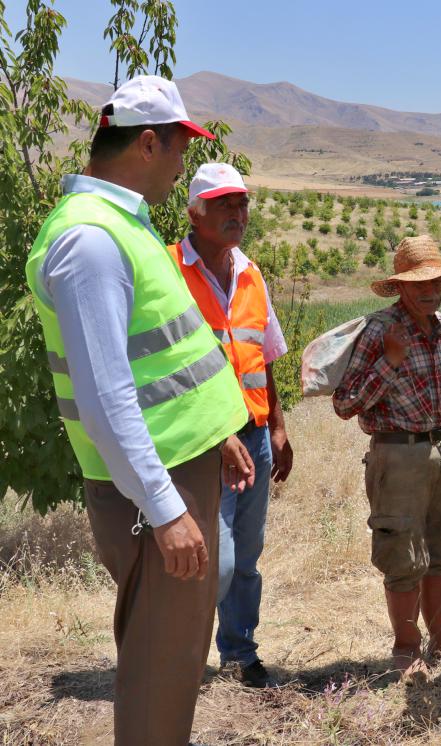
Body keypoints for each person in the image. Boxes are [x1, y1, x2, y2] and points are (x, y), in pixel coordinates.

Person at [24, 75, 254, 745]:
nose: (184, 164)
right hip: (157, 484)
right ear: (148, 143)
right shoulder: (90, 240)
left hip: (182, 464)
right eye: (181, 148)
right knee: (161, 669)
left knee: (177, 663)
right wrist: (165, 506)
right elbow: (106, 394)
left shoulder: (120, 226)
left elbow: (163, 363)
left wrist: (218, 434)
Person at [333, 235, 441, 684]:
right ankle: (406, 650)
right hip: (397, 452)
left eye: (436, 282)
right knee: (402, 555)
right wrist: (389, 363)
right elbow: (345, 404)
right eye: (418, 283)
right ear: (401, 286)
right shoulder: (379, 331)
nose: (428, 291)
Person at [169, 163, 293, 688]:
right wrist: (217, 436)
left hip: (256, 436)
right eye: (224, 204)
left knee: (246, 554)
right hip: (201, 441)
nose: (237, 214)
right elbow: (167, 367)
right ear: (195, 212)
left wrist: (279, 427)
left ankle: (240, 652)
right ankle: (182, 657)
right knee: (209, 561)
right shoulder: (168, 270)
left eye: (241, 203)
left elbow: (262, 358)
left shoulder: (251, 273)